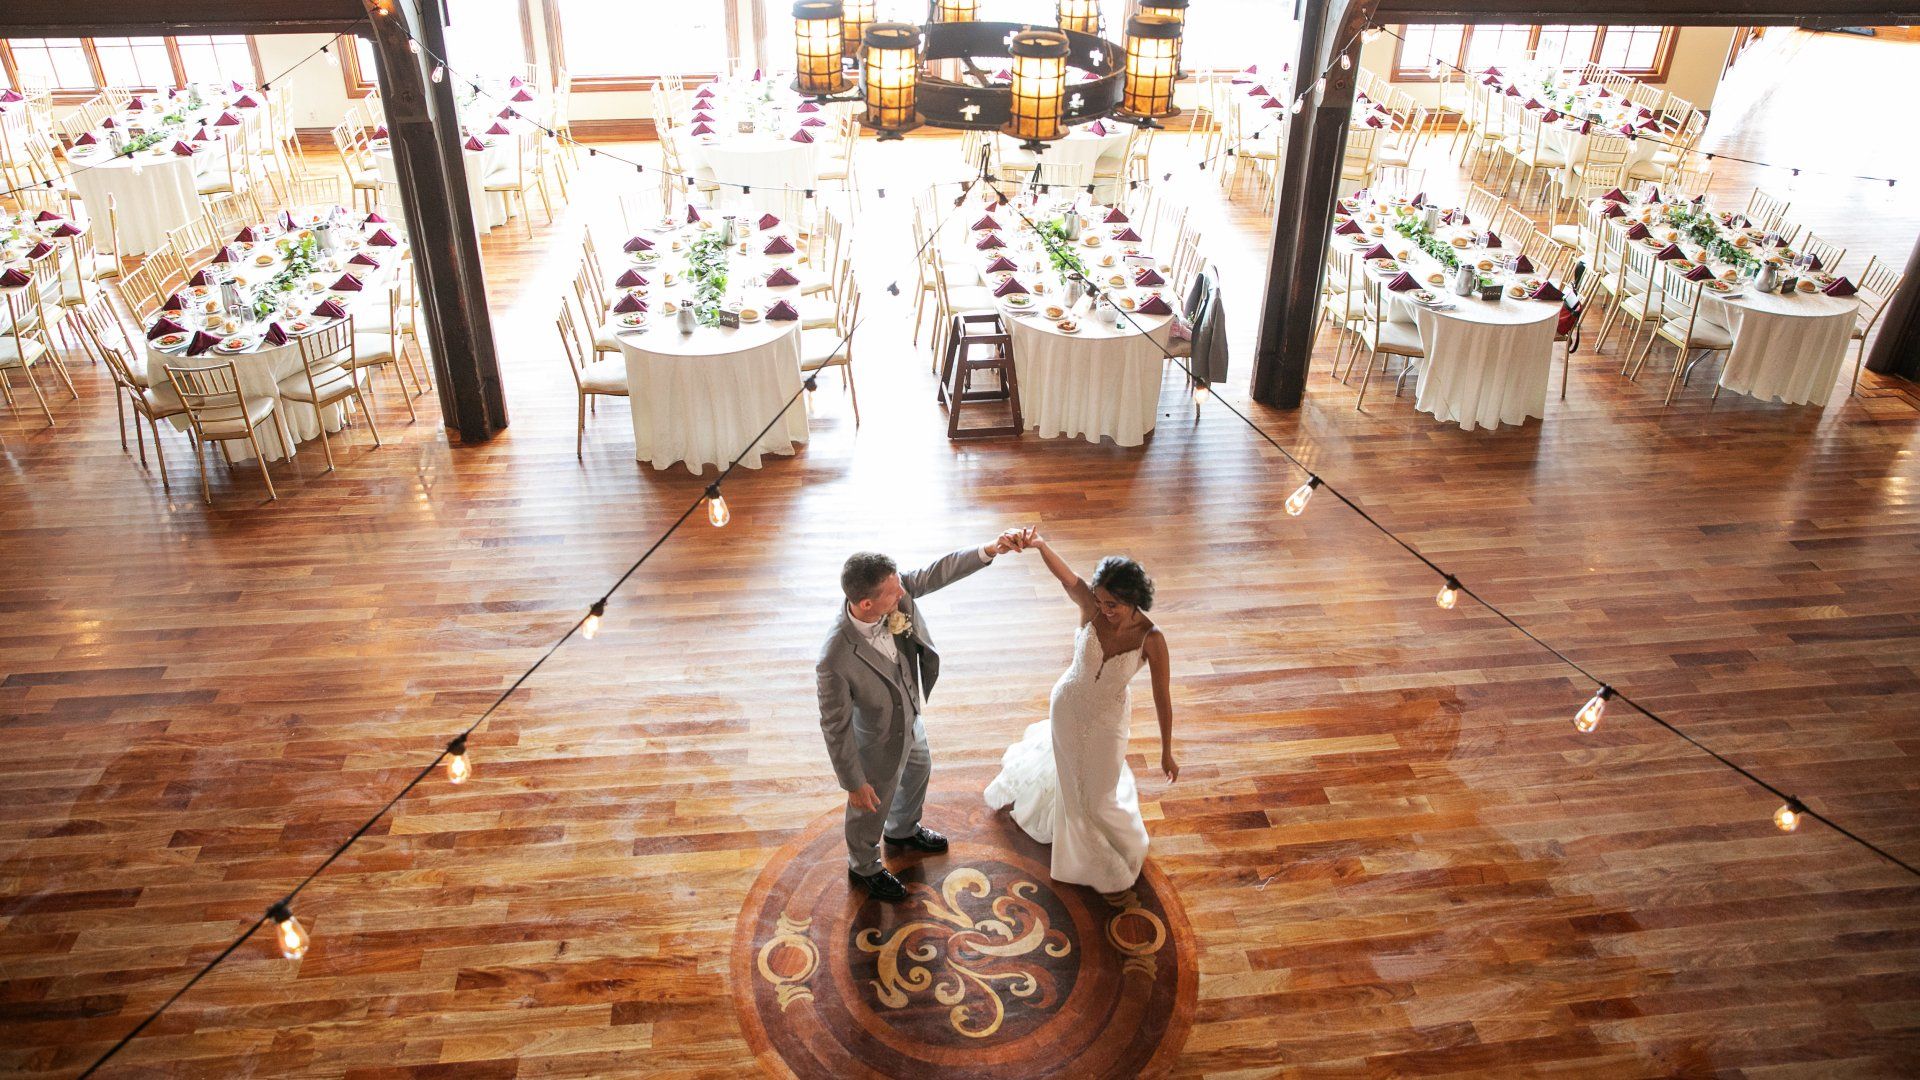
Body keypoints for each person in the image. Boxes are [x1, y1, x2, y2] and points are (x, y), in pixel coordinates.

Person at [818, 530, 1031, 902]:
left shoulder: (894, 591)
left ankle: (902, 830)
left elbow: (937, 572)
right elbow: (835, 728)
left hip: (911, 717)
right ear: (866, 604)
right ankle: (863, 865)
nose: (903, 593)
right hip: (877, 740)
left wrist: (989, 550)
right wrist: (853, 782)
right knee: (871, 805)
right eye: (893, 592)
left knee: (919, 770)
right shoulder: (834, 658)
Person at [985, 529, 1175, 894]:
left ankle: (1115, 845)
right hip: (1068, 708)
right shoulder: (1091, 606)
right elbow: (1067, 578)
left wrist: (1167, 750)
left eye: (1112, 605)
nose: (1104, 610)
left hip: (1108, 720)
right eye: (1100, 601)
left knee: (1099, 796)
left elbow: (1162, 697)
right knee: (1072, 784)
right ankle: (1079, 854)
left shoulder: (1153, 639)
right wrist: (1041, 546)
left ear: (1134, 600)